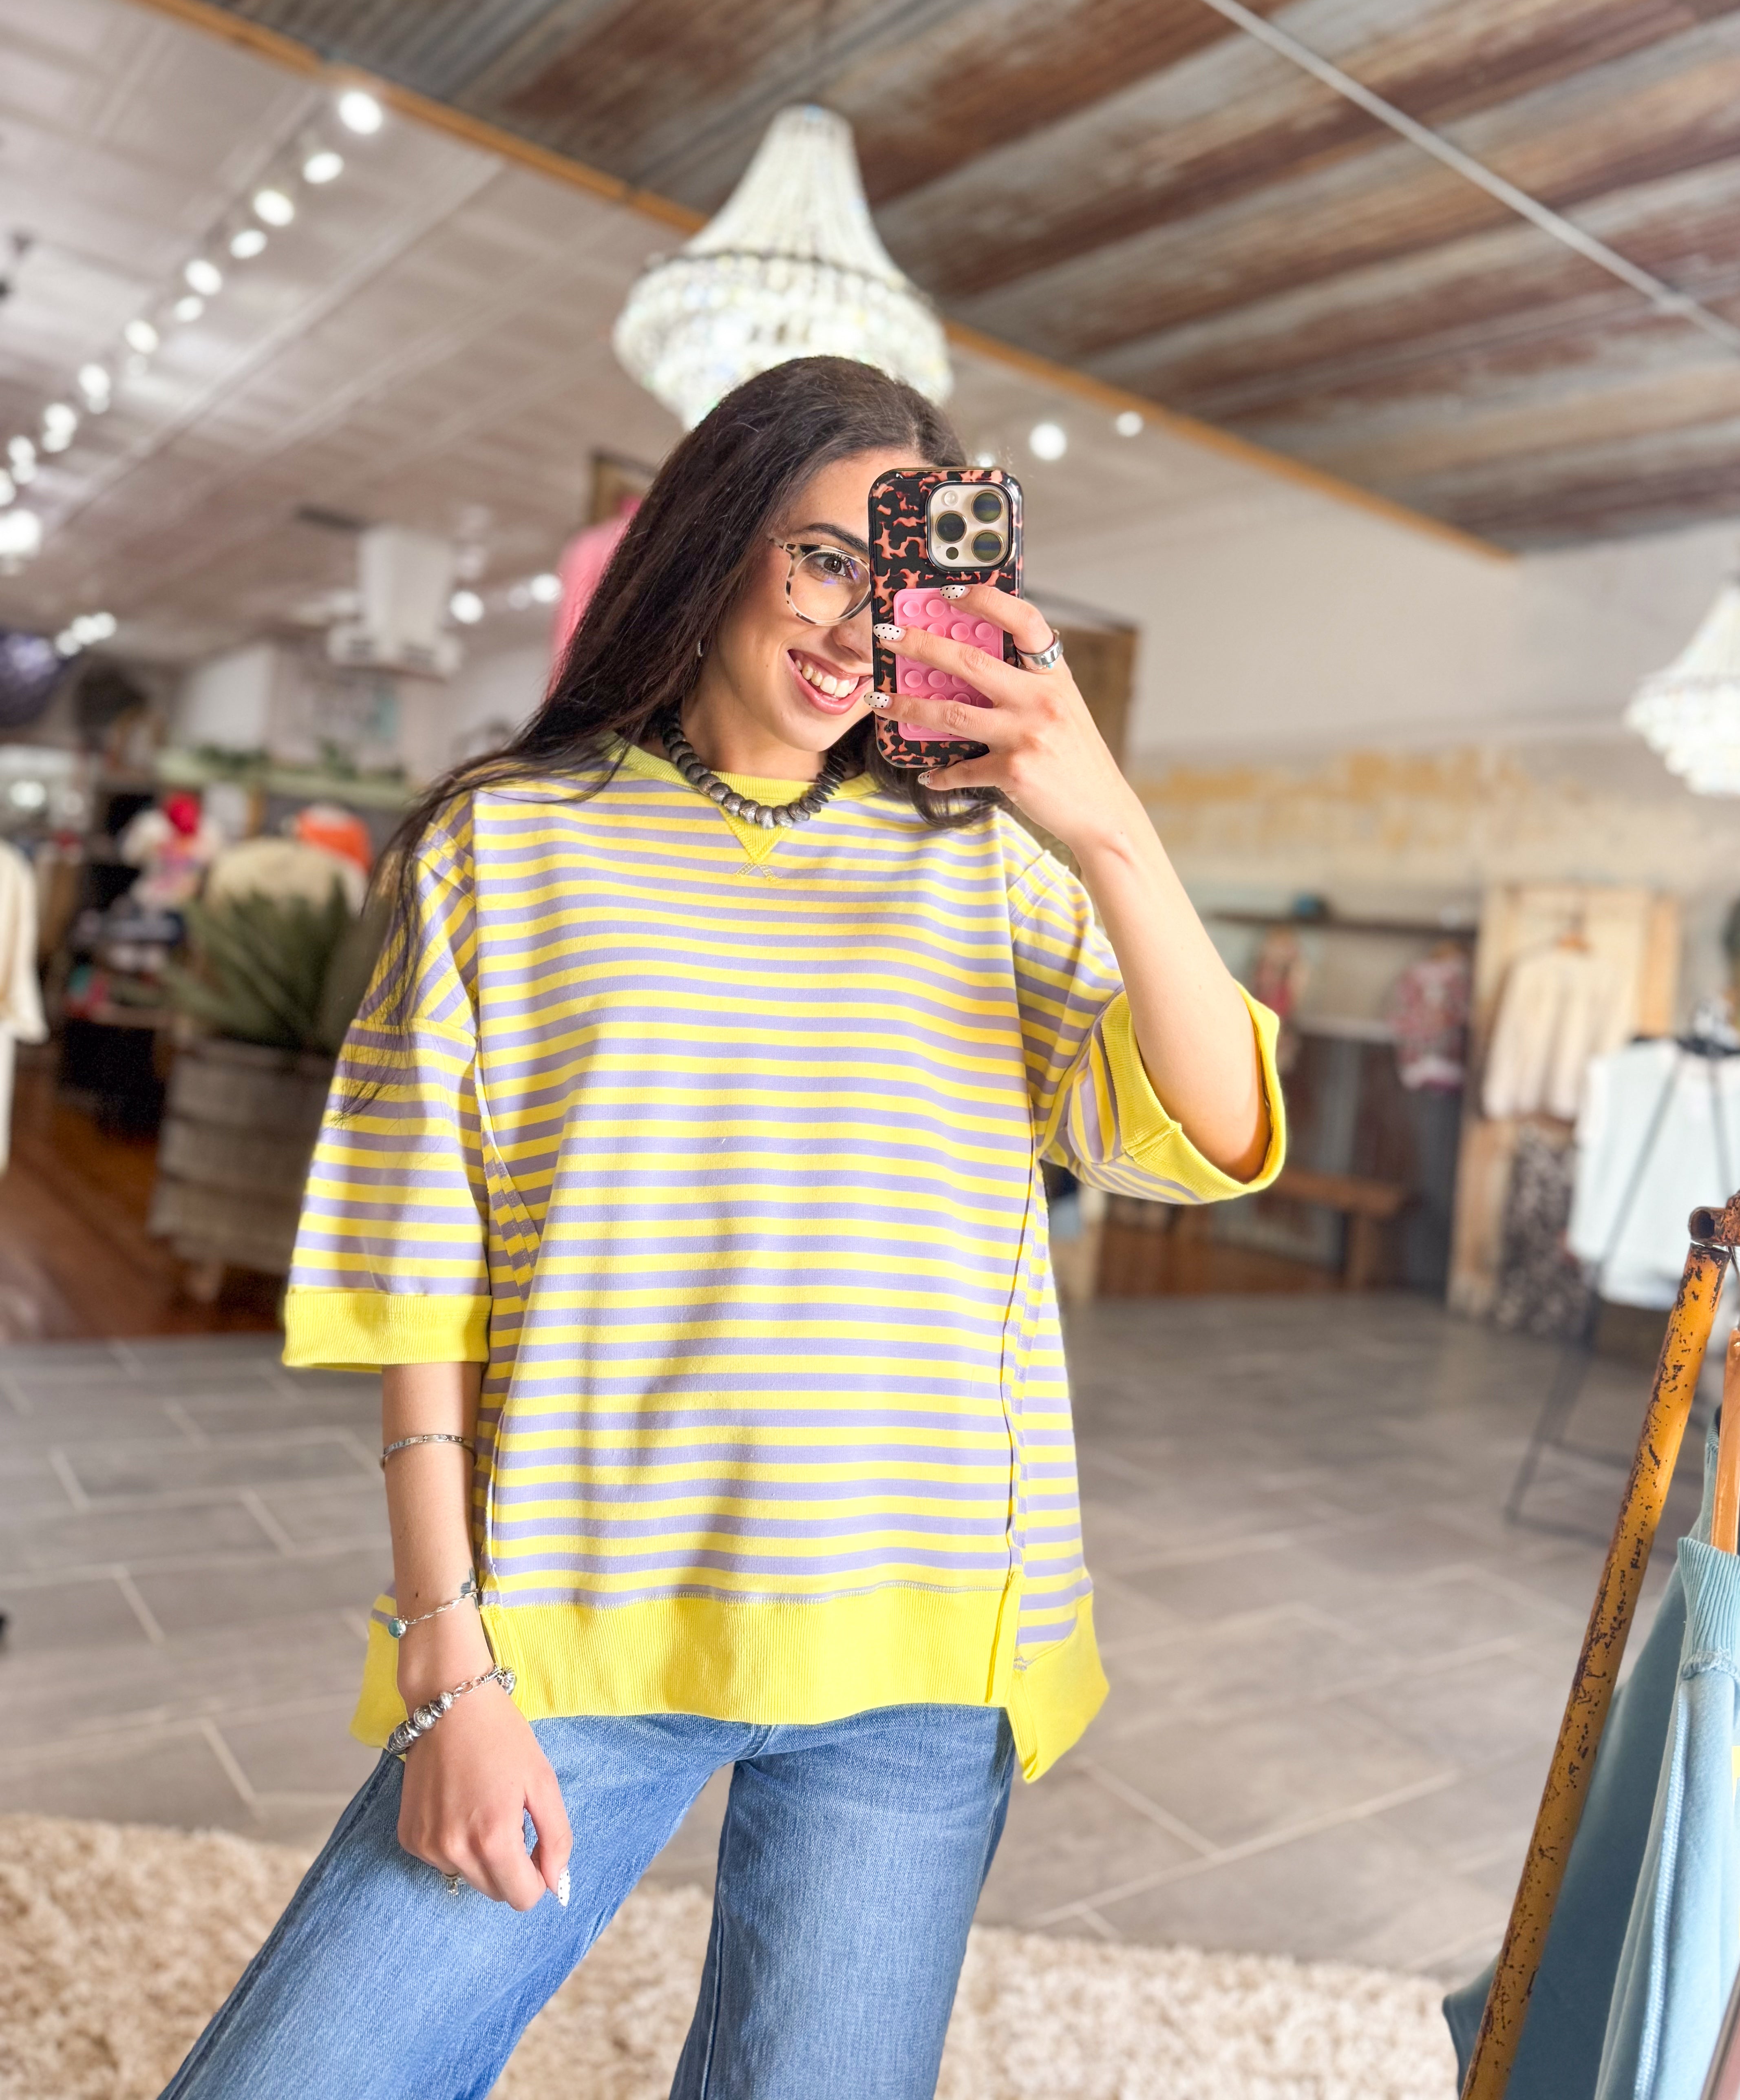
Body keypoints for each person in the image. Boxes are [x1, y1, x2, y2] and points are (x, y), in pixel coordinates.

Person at [160, 356, 1283, 2100]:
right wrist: (450, 1667)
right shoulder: (502, 848)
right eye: (824, 557)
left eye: (898, 583)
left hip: (923, 1642)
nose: (856, 625)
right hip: (582, 1615)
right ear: (714, 536)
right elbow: (414, 1287)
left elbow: (1213, 1137)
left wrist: (1107, 827)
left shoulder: (990, 868)